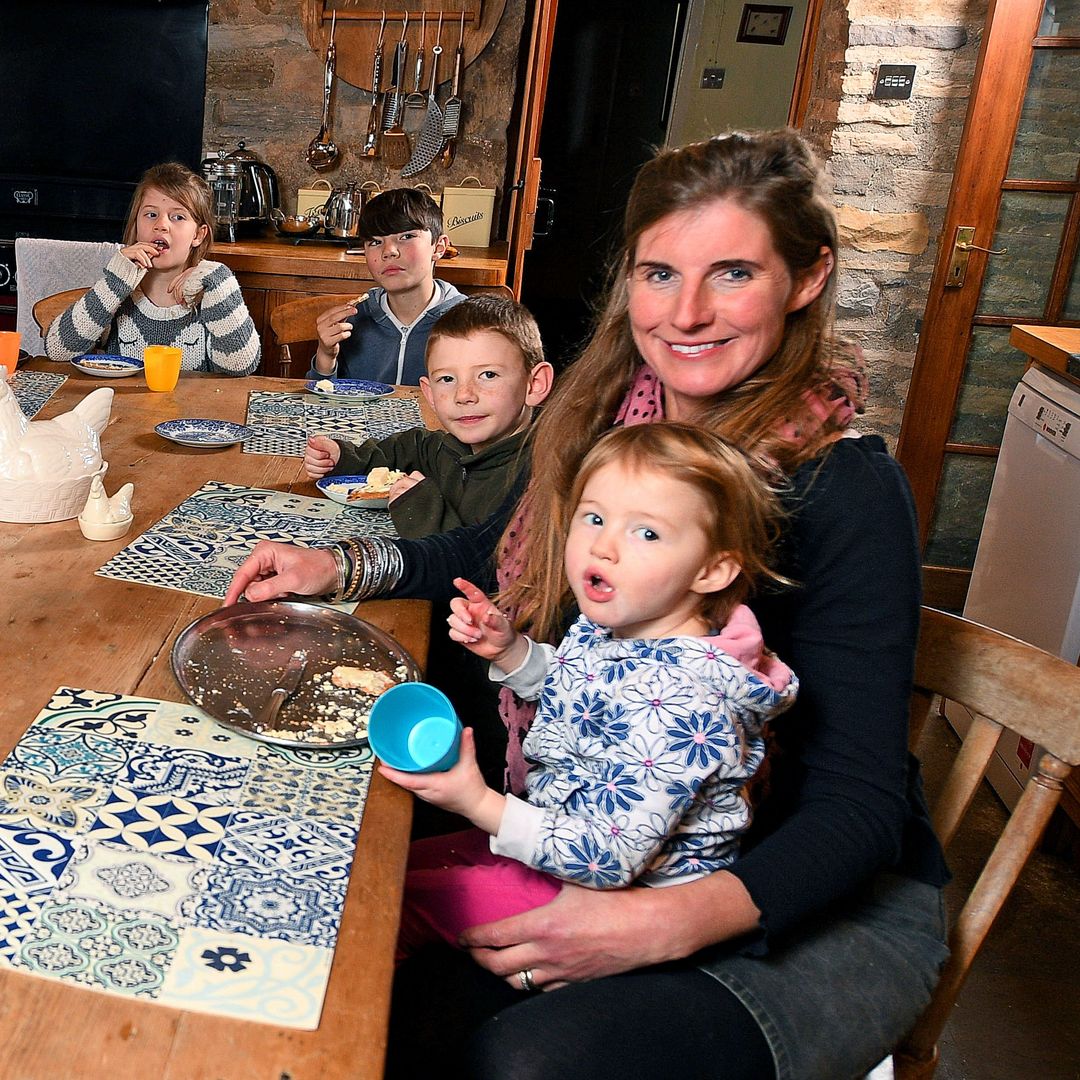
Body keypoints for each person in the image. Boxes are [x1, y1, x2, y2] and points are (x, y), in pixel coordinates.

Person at [225, 129, 950, 1080]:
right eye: (659, 273)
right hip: (591, 825)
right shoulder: (609, 417)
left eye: (731, 272)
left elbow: (858, 810)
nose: (686, 313)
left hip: (788, 897)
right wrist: (338, 565)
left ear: (806, 279)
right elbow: (491, 555)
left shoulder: (843, 487)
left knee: (520, 1062)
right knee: (325, 947)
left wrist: (650, 925)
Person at [386, 423, 797, 961]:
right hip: (556, 837)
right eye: (595, 517)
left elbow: (610, 855)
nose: (604, 546)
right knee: (386, 862)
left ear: (713, 568)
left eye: (646, 533)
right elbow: (585, 687)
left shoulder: (686, 706)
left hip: (609, 893)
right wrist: (513, 653)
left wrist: (477, 803)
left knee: (385, 905)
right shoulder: (633, 626)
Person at [304, 295, 554, 539]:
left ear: (534, 385)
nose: (463, 395)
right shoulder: (452, 449)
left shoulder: (536, 484)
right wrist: (344, 457)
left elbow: (485, 568)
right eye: (447, 379)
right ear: (430, 394)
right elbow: (412, 448)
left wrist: (422, 512)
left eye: (488, 375)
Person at [45, 162, 260, 375]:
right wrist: (113, 281)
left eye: (178, 217)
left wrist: (219, 279)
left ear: (198, 235)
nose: (162, 225)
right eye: (151, 214)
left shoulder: (213, 293)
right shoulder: (117, 291)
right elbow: (58, 350)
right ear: (136, 225)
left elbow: (240, 365)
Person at [307, 188, 465, 386]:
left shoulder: (468, 323)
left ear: (439, 247)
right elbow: (323, 403)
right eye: (375, 242)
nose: (388, 251)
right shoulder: (353, 319)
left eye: (406, 237)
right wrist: (325, 355)